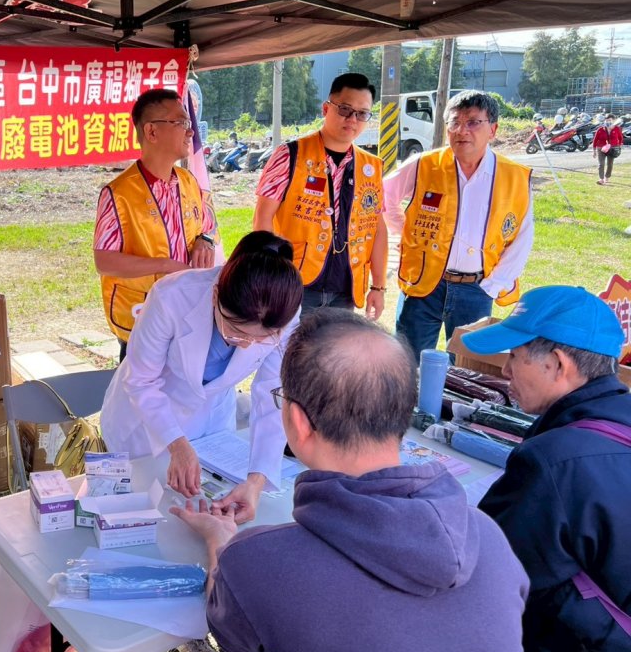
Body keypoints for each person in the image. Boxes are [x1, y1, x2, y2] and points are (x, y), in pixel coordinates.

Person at [171, 309, 529, 652]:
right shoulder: (490, 537)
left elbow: (228, 639)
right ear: (404, 411)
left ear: (298, 421)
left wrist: (220, 541)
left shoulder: (258, 562)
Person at [462, 286, 631, 652]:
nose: (505, 370)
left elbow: (487, 568)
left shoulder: (550, 462)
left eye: (515, 356)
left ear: (558, 364)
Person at [100, 231, 303, 523]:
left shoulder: (284, 314)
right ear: (216, 295)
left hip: (211, 422)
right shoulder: (172, 295)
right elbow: (141, 380)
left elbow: (274, 396)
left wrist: (256, 481)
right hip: (143, 422)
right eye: (236, 332)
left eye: (262, 339)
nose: (247, 345)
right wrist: (175, 443)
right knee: (144, 514)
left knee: (196, 512)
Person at [383, 89, 534, 359]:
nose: (462, 131)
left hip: (476, 288)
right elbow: (383, 196)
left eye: (473, 122)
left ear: (493, 129)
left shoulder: (514, 177)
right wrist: (405, 232)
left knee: (466, 368)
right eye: (454, 122)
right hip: (423, 284)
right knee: (407, 362)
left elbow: (522, 238)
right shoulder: (424, 164)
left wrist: (491, 285)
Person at [93, 88, 216, 362]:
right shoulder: (118, 193)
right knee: (140, 387)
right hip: (141, 314)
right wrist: (165, 265)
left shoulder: (188, 182)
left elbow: (206, 228)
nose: (190, 131)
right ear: (151, 132)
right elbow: (104, 261)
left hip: (186, 309)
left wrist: (203, 241)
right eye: (181, 122)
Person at [254, 72, 388, 319]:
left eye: (362, 114)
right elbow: (262, 220)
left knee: (334, 346)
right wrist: (271, 277)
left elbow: (378, 228)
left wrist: (378, 287)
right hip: (295, 283)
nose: (352, 119)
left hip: (345, 287)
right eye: (345, 109)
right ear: (326, 109)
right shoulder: (290, 155)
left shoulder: (372, 166)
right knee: (287, 344)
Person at [592, 112, 622, 185]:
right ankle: (601, 179)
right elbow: (595, 140)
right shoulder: (600, 129)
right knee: (601, 164)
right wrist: (594, 151)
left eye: (610, 120)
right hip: (601, 148)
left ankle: (607, 176)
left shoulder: (617, 128)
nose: (608, 121)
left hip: (612, 149)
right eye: (607, 120)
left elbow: (620, 138)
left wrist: (619, 147)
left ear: (613, 120)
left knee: (610, 164)